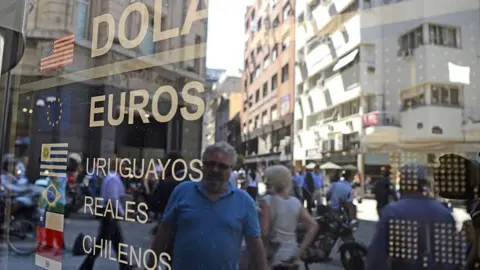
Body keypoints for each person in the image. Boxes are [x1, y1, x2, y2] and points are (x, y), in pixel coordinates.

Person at [150, 141, 268, 270]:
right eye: (210, 164)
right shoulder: (182, 191)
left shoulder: (245, 201)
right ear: (202, 166)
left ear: (231, 169)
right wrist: (150, 266)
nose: (215, 170)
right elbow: (164, 232)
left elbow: (255, 247)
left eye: (222, 166)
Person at [367, 163, 458, 270]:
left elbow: (377, 256)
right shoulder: (444, 213)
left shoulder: (393, 211)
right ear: (425, 184)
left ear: (402, 183)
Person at [260, 165, 319, 270]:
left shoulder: (267, 201)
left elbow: (264, 231)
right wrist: (299, 251)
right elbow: (313, 226)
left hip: (274, 256)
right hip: (292, 254)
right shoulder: (295, 202)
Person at [79, 157, 132, 270]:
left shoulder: (111, 177)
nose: (124, 168)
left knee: (116, 240)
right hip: (110, 211)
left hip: (108, 211)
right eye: (122, 166)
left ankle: (124, 265)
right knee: (104, 241)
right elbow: (113, 198)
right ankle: (87, 265)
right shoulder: (113, 178)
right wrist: (122, 211)